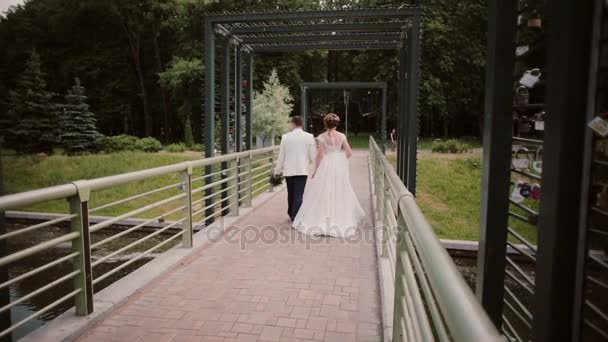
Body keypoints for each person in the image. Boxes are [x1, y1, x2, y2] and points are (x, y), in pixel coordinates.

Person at [292, 113, 365, 237]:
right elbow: (349, 153)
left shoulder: (321, 137)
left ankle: (321, 218)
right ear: (336, 124)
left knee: (323, 190)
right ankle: (339, 218)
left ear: (325, 124)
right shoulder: (342, 136)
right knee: (339, 190)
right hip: (338, 166)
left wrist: (316, 170)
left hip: (326, 165)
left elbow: (320, 155)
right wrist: (341, 161)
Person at [274, 116, 316, 222]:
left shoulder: (285, 137)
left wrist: (277, 170)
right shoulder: (309, 137)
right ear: (302, 124)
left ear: (293, 124)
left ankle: (292, 214)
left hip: (289, 170)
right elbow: (313, 156)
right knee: (299, 193)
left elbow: (281, 156)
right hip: (302, 170)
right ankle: (295, 215)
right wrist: (313, 167)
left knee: (291, 193)